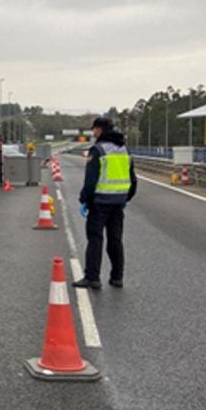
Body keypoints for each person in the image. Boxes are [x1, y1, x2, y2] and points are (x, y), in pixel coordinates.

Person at [74, 117, 137, 290]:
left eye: (94, 130)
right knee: (115, 240)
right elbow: (133, 179)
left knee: (95, 239)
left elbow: (91, 179)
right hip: (118, 203)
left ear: (100, 130)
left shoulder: (98, 150)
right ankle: (117, 277)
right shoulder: (124, 149)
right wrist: (126, 198)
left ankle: (92, 278)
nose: (93, 133)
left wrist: (84, 199)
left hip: (100, 202)